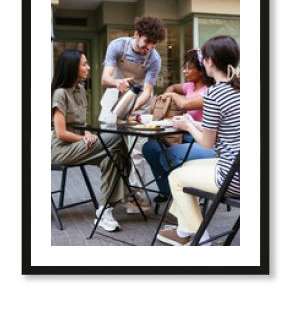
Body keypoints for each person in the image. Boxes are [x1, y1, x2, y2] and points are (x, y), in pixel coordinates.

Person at [157, 35, 240, 246]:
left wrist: (187, 127)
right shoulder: (240, 89)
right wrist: (190, 123)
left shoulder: (214, 94)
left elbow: (206, 143)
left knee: (176, 177)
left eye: (203, 58)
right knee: (188, 165)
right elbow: (224, 130)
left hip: (234, 178)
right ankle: (184, 230)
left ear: (210, 62)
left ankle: (200, 239)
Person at [51, 49, 130, 232]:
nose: (88, 67)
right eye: (84, 64)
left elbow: (82, 123)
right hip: (60, 149)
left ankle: (104, 211)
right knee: (116, 138)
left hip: (78, 145)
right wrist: (83, 138)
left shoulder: (79, 90)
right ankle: (127, 181)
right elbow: (61, 133)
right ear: (72, 67)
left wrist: (86, 133)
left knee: (111, 157)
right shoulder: (60, 94)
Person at [99, 16, 166, 213]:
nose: (150, 48)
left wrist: (133, 106)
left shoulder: (154, 58)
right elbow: (105, 78)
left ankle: (136, 198)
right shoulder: (117, 46)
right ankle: (109, 199)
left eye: (154, 44)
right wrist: (117, 83)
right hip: (114, 98)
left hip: (139, 104)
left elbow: (147, 90)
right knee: (110, 150)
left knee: (136, 152)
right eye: (147, 42)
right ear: (136, 34)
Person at [142, 49, 215, 201]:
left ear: (201, 71)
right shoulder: (189, 86)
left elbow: (185, 104)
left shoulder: (209, 92)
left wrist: (172, 96)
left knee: (166, 155)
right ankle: (167, 190)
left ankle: (188, 192)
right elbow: (174, 87)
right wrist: (168, 94)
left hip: (199, 137)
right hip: (182, 134)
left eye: (189, 67)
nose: (184, 70)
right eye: (185, 66)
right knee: (150, 148)